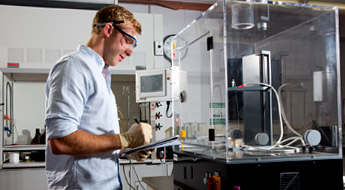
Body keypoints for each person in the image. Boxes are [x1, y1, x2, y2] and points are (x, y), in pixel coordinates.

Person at [45, 5, 153, 190]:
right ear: (109, 29)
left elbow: (95, 141)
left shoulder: (100, 75)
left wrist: (127, 150)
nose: (130, 51)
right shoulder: (74, 66)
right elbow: (61, 141)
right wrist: (125, 139)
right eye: (127, 40)